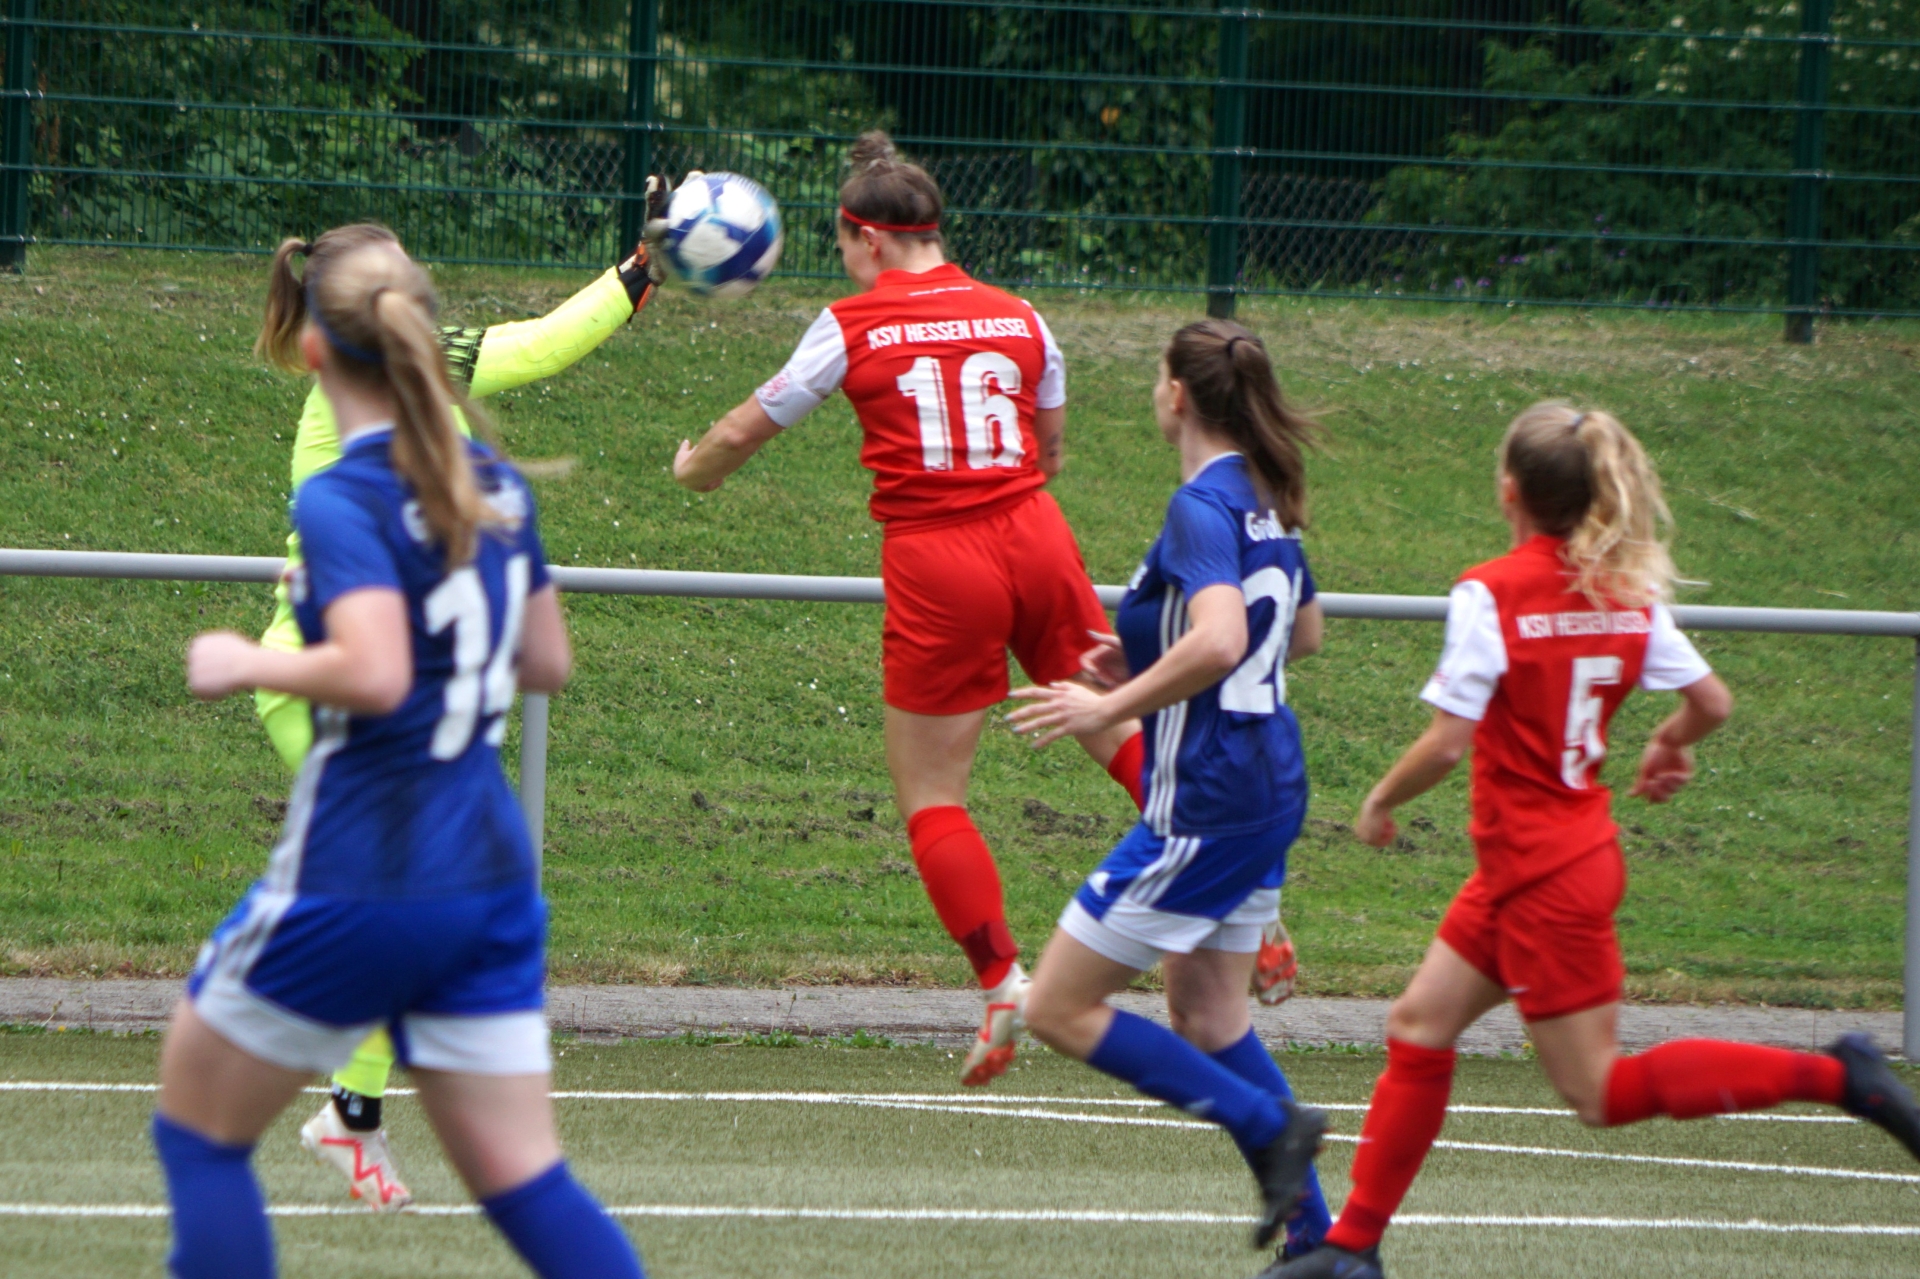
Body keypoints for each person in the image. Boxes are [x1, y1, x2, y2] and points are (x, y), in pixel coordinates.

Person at [1265, 402, 1920, 1279]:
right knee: (1419, 1024)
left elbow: (1449, 741)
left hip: (1546, 878)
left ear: (1509, 490)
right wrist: (1670, 741)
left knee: (1601, 1090)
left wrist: (1380, 797)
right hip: (1541, 864)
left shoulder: (1490, 591)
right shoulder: (1625, 591)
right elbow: (1712, 701)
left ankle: (1841, 1075)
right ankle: (1353, 1248)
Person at [153, 230, 644, 1279]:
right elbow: (548, 660)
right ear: (429, 334)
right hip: (488, 872)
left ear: (314, 348)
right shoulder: (494, 484)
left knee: (196, 1132)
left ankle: (351, 1107)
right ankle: (354, 1110)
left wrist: (246, 659)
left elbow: (374, 672)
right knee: (529, 1183)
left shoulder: (340, 489)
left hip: (371, 858)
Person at [672, 131, 1149, 1085]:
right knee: (1124, 729)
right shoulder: (1022, 315)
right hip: (1035, 533)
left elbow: (741, 429)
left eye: (843, 245)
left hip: (938, 556)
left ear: (869, 238)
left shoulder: (850, 324)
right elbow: (1051, 449)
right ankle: (1241, 899)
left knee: (933, 796)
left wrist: (695, 470)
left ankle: (1003, 981)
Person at [1007, 320, 1332, 1257]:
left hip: (1211, 797)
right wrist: (1147, 655)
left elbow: (1224, 638)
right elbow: (1301, 632)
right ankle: (1319, 1246)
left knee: (1055, 1006)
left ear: (1178, 395)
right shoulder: (1263, 494)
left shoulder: (1201, 504)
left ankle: (1270, 1125)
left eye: (1157, 378)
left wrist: (1108, 705)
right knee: (1209, 1014)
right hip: (1269, 781)